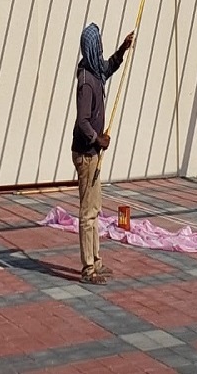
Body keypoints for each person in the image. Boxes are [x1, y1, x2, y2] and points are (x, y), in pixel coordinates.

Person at [71, 22, 134, 285]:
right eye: (98, 43)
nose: (100, 47)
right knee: (88, 212)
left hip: (93, 151)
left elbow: (108, 68)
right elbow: (82, 121)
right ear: (91, 46)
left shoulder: (96, 70)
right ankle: (88, 268)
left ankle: (96, 261)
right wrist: (99, 139)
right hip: (86, 154)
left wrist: (122, 50)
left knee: (94, 208)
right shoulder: (86, 81)